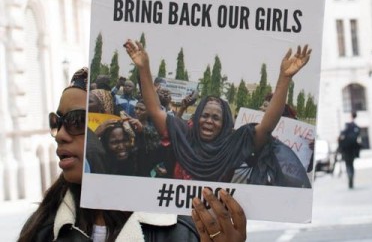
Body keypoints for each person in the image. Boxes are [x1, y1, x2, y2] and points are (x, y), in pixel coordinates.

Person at [18, 67, 247, 242]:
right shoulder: (43, 228)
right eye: (56, 122)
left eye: (77, 121)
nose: (61, 135)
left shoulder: (180, 231)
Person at [125, 39, 312, 186]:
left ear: (224, 124)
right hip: (178, 222)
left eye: (216, 118)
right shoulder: (181, 134)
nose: (209, 121)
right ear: (197, 117)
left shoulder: (234, 143)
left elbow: (267, 126)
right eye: (205, 116)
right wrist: (144, 68)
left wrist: (284, 78)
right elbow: (155, 110)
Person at [338, 111, 362, 189]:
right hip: (353, 149)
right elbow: (358, 138)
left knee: (347, 164)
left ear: (351, 116)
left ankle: (349, 175)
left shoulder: (347, 125)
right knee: (351, 164)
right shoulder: (357, 127)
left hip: (346, 149)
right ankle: (351, 175)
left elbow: (342, 135)